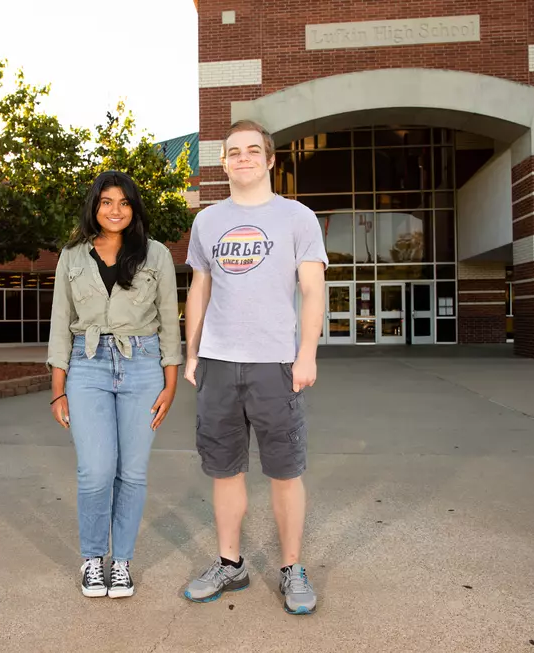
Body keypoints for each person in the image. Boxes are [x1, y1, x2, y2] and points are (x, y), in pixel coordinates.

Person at [181, 120, 328, 615]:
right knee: (224, 471)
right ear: (223, 162)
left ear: (269, 161)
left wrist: (305, 353)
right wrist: (193, 352)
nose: (241, 158)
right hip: (220, 363)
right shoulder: (207, 223)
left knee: (284, 472)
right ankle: (230, 564)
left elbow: (313, 290)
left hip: (275, 364)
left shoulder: (297, 218)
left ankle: (291, 568)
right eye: (232, 152)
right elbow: (199, 290)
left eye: (251, 151)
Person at [46, 170, 183, 599]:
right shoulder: (71, 256)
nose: (115, 210)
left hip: (142, 366)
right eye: (106, 201)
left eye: (124, 202)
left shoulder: (155, 254)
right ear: (94, 206)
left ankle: (120, 562)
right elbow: (59, 325)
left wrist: (170, 382)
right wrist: (58, 386)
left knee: (133, 471)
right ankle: (92, 559)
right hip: (88, 367)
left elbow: (168, 322)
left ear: (134, 208)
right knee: (95, 471)